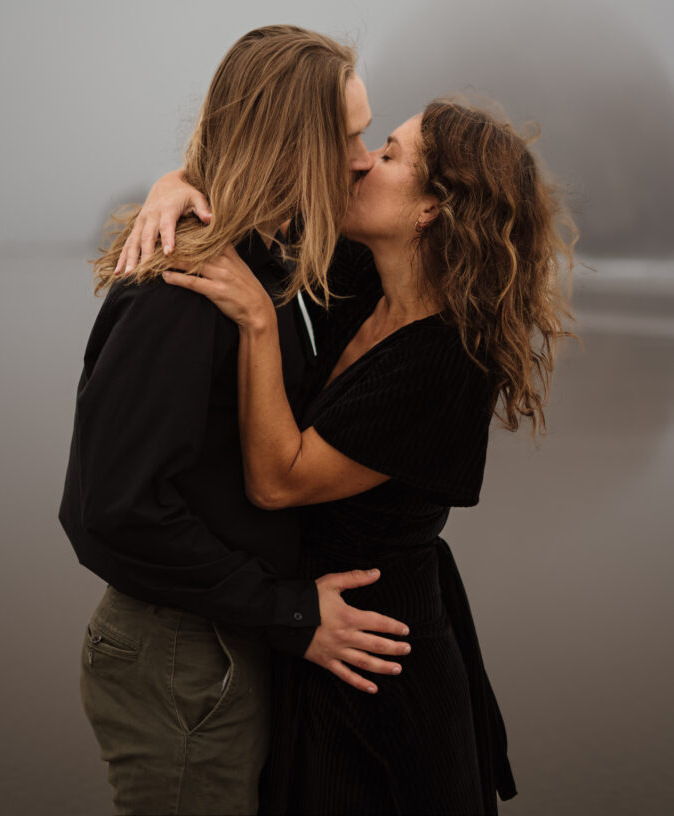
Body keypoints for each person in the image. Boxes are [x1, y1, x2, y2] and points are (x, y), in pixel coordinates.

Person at [141, 95, 576, 814]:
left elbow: (278, 482)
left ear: (431, 208)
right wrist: (175, 182)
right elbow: (253, 195)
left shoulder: (446, 361)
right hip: (315, 624)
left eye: (391, 155)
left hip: (374, 653)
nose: (363, 161)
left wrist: (255, 321)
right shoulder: (361, 273)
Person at [59, 25, 414, 816]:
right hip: (180, 653)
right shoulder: (188, 287)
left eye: (367, 132)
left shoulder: (274, 258)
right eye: (347, 135)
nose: (362, 157)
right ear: (285, 143)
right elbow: (108, 512)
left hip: (219, 637)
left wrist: (181, 174)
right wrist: (288, 613)